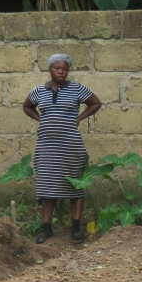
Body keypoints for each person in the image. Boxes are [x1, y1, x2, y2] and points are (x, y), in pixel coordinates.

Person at [22, 53, 102, 244]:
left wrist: (79, 118)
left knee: (74, 186)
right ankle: (47, 229)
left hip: (70, 146)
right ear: (49, 69)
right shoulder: (39, 91)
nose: (61, 71)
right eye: (57, 68)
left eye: (65, 69)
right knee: (47, 187)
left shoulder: (76, 89)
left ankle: (75, 229)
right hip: (46, 146)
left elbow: (95, 103)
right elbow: (27, 106)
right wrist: (40, 119)